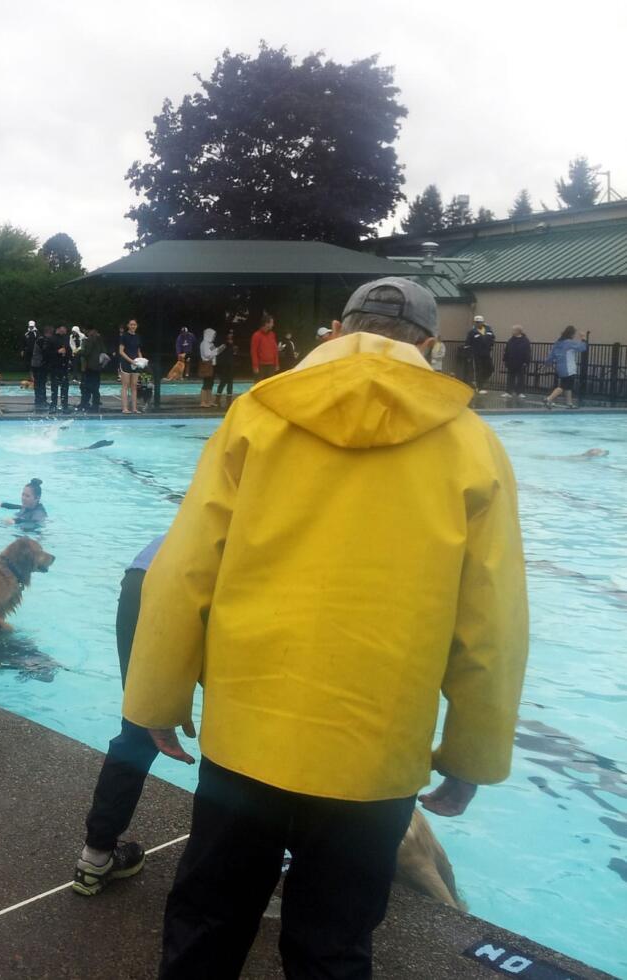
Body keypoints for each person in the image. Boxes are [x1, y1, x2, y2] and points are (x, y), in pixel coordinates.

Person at [124, 276, 528, 978]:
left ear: (337, 332)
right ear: (428, 346)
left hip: (249, 734)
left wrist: (158, 699)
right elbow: (490, 619)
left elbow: (187, 567)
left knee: (207, 919)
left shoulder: (257, 414)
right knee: (335, 943)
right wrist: (471, 750)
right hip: (379, 745)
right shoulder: (473, 444)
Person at [73, 535, 164, 895]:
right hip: (220, 579)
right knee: (237, 734)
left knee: (138, 728)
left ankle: (95, 857)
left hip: (144, 575)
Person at [544, 325, 588, 409]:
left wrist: (547, 364)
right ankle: (548, 399)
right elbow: (582, 348)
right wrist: (583, 338)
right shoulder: (569, 342)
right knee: (564, 386)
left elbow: (551, 355)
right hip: (569, 368)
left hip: (560, 367)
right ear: (571, 334)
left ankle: (569, 403)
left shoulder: (558, 343)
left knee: (568, 386)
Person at [464, 315, 496, 393]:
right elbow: (467, 344)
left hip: (486, 353)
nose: (478, 324)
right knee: (479, 370)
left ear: (483, 322)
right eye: (476, 322)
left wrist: (490, 346)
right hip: (476, 355)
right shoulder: (472, 332)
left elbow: (492, 338)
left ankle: (481, 382)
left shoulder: (488, 330)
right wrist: (469, 355)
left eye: (480, 322)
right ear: (474, 323)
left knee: (490, 369)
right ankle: (479, 387)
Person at [118, 319, 142, 414]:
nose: (133, 326)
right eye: (131, 324)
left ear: (136, 326)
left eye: (134, 325)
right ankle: (125, 408)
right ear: (128, 325)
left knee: (134, 386)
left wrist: (140, 360)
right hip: (126, 363)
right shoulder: (124, 336)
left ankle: (134, 408)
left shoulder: (138, 337)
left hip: (135, 363)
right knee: (125, 385)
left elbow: (138, 351)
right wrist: (130, 361)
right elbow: (121, 351)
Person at [79, 327, 105, 412]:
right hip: (97, 366)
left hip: (89, 367)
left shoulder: (88, 340)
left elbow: (86, 352)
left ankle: (85, 403)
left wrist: (78, 352)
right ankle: (95, 404)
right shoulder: (99, 340)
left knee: (87, 387)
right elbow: (103, 351)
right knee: (96, 387)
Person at [503, 325, 531, 400]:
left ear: (518, 331)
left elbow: (527, 352)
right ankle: (509, 392)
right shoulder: (511, 340)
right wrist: (505, 360)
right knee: (510, 377)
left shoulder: (525, 340)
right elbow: (507, 350)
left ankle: (520, 392)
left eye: (513, 330)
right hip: (511, 361)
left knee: (520, 377)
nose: (512, 332)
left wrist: (526, 361)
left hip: (521, 362)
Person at [49, 324, 72, 412]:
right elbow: (47, 353)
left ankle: (64, 405)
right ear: (59, 329)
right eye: (64, 328)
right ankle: (53, 405)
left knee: (65, 387)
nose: (65, 330)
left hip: (64, 366)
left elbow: (69, 350)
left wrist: (68, 355)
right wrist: (57, 352)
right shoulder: (52, 339)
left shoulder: (66, 339)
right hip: (55, 366)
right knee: (54, 387)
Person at [249, 313, 279, 380]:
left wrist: (276, 363)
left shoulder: (272, 334)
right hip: (260, 365)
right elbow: (253, 352)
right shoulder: (256, 335)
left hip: (271, 365)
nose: (273, 325)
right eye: (272, 323)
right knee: (259, 385)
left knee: (270, 386)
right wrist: (255, 366)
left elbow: (275, 350)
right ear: (266, 323)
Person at [214, 328, 237, 409]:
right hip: (224, 365)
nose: (231, 335)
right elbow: (218, 352)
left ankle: (229, 401)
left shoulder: (233, 344)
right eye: (229, 334)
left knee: (230, 382)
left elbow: (233, 354)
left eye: (232, 334)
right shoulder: (223, 343)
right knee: (223, 381)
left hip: (230, 365)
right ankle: (217, 399)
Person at [30, 326, 51, 410]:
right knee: (40, 383)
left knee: (40, 383)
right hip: (38, 365)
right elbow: (45, 351)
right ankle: (40, 400)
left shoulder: (41, 339)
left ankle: (41, 399)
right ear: (47, 332)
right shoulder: (41, 340)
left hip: (38, 364)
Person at [197, 328, 218, 408]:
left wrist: (217, 350)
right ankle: (203, 401)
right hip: (207, 364)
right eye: (213, 335)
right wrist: (214, 352)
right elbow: (207, 355)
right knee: (206, 384)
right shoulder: (204, 344)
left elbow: (215, 351)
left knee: (210, 384)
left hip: (212, 365)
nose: (213, 337)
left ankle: (209, 401)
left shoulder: (211, 344)